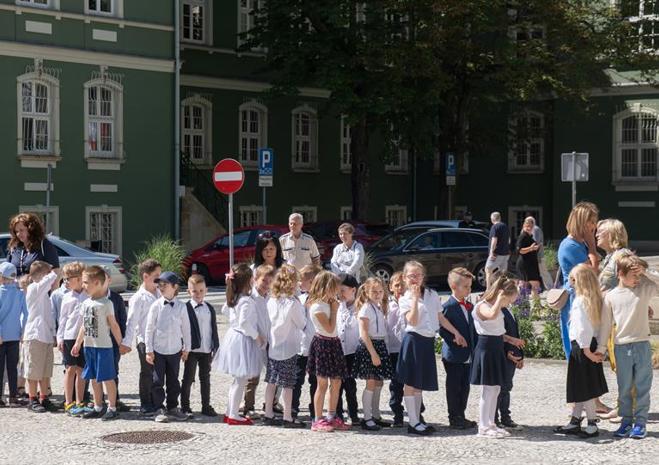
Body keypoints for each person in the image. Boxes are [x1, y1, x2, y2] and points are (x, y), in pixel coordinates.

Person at [396, 260, 468, 436]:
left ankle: (417, 420)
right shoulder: (405, 298)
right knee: (410, 383)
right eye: (411, 275)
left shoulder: (432, 294)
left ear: (423, 277)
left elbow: (440, 317)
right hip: (413, 340)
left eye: (418, 275)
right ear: (405, 278)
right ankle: (413, 422)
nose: (415, 278)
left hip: (427, 341)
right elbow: (412, 321)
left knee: (419, 383)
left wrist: (456, 332)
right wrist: (414, 299)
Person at [598, 254, 659, 440]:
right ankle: (626, 422)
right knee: (624, 387)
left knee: (642, 386)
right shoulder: (611, 296)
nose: (637, 279)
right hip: (621, 347)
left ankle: (640, 423)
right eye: (634, 275)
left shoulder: (644, 289)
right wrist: (601, 348)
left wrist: (646, 272)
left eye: (639, 275)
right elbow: (606, 324)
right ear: (620, 273)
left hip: (642, 346)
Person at [553, 264, 608, 439]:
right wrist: (598, 349)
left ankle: (592, 423)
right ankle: (575, 421)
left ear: (579, 281)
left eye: (572, 279)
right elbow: (600, 328)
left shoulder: (580, 301)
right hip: (591, 345)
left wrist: (586, 351)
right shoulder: (595, 300)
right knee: (581, 386)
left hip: (582, 347)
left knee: (585, 388)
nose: (570, 282)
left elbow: (583, 328)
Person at [470, 275, 523, 439]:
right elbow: (491, 316)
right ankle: (483, 426)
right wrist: (499, 299)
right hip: (486, 349)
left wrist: (511, 340)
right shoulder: (482, 306)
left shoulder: (496, 308)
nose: (508, 304)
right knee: (488, 389)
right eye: (509, 300)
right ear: (502, 294)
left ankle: (491, 423)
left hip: (496, 347)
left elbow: (497, 331)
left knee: (496, 389)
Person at [212, 263, 264, 425]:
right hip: (243, 340)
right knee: (240, 380)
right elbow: (244, 323)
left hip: (233, 337)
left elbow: (224, 310)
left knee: (237, 380)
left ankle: (230, 411)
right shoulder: (246, 301)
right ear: (249, 281)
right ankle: (234, 414)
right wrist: (257, 336)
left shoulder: (234, 298)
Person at [71, 266, 122, 421]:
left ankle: (112, 407)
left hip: (103, 347)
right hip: (89, 346)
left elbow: (113, 324)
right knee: (93, 378)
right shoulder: (86, 303)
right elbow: (84, 325)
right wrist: (78, 343)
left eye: (86, 282)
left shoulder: (107, 303)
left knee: (107, 378)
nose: (83, 285)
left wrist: (121, 343)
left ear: (98, 283)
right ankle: (98, 406)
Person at [262, 265, 307, 428]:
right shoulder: (293, 303)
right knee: (288, 384)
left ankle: (268, 413)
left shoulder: (271, 300)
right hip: (289, 347)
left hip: (274, 346)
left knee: (272, 381)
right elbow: (302, 323)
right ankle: (288, 416)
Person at [145, 271, 191, 423]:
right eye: (159, 285)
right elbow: (149, 328)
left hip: (175, 350)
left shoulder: (181, 306)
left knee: (173, 381)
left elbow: (186, 328)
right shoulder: (156, 306)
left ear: (175, 287)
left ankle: (173, 407)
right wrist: (149, 350)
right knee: (157, 380)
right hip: (158, 350)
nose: (161, 287)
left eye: (165, 284)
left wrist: (187, 348)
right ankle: (158, 408)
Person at [306, 271, 349, 432]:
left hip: (334, 342)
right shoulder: (317, 306)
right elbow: (329, 327)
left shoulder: (330, 303)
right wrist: (334, 309)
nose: (337, 291)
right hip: (323, 344)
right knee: (322, 383)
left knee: (337, 381)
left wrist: (334, 306)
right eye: (334, 287)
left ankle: (331, 416)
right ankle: (317, 419)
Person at [557, 202, 599, 359]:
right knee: (578, 350)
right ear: (581, 221)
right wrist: (592, 245)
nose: (594, 226)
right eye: (591, 222)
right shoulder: (570, 246)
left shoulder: (580, 243)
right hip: (575, 300)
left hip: (583, 297)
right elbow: (592, 272)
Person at [120, 258, 161, 415]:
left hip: (160, 340)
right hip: (144, 340)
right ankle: (145, 403)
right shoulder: (138, 298)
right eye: (156, 276)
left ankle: (157, 401)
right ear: (145, 276)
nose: (159, 279)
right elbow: (132, 322)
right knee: (147, 372)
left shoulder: (160, 293)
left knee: (158, 372)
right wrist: (127, 342)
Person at [353, 277, 394, 431]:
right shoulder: (365, 308)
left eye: (380, 291)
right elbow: (364, 333)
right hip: (369, 346)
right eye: (374, 291)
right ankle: (367, 418)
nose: (378, 294)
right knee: (370, 382)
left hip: (379, 344)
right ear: (366, 292)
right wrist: (373, 354)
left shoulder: (378, 307)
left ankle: (376, 415)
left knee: (379, 382)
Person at [441, 267, 477, 430]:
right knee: (454, 386)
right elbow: (441, 328)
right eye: (466, 286)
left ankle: (461, 415)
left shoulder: (470, 306)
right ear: (454, 286)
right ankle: (454, 417)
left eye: (470, 286)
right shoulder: (448, 306)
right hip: (454, 354)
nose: (469, 289)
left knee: (465, 386)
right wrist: (454, 338)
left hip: (468, 353)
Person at [22, 261, 58, 413]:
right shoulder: (34, 288)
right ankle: (32, 399)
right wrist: (53, 269)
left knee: (45, 371)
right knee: (33, 371)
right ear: (42, 275)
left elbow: (49, 317)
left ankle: (44, 397)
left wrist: (53, 334)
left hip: (46, 336)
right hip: (35, 336)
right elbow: (50, 279)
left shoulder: (44, 295)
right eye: (46, 275)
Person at [181, 274, 219, 417]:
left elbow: (213, 328)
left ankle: (206, 406)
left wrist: (215, 346)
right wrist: (183, 347)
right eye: (194, 291)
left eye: (201, 291)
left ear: (206, 291)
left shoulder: (209, 308)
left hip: (206, 349)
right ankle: (185, 406)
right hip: (191, 349)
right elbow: (182, 329)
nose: (198, 294)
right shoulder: (185, 308)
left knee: (205, 378)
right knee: (188, 378)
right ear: (189, 292)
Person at [56, 262, 88, 415]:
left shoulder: (88, 295)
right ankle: (68, 402)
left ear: (80, 278)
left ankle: (80, 400)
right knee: (70, 369)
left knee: (82, 369)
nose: (66, 282)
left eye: (68, 278)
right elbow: (62, 319)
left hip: (85, 338)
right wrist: (60, 338)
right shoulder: (67, 297)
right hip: (69, 336)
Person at [244, 264, 276, 417]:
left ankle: (270, 404)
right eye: (264, 280)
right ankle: (248, 406)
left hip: (270, 340)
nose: (267, 284)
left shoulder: (272, 297)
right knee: (253, 376)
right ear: (255, 279)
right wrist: (255, 335)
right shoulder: (250, 297)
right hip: (254, 340)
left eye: (270, 281)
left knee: (274, 373)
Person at [291, 264, 322, 419]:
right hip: (300, 346)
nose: (299, 283)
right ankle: (293, 408)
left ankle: (315, 410)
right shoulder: (300, 299)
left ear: (312, 282)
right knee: (296, 379)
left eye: (301, 281)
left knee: (315, 380)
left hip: (316, 347)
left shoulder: (321, 301)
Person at [496, 287, 524, 431]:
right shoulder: (499, 310)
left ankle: (505, 417)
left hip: (513, 355)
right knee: (500, 388)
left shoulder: (509, 309)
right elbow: (499, 335)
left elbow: (515, 334)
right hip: (504, 355)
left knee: (506, 387)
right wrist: (507, 352)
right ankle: (495, 419)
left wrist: (520, 355)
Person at [0, 262, 27, 407]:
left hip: (1, 336)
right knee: (12, 367)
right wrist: (23, 332)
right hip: (15, 335)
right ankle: (13, 396)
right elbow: (25, 315)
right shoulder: (20, 293)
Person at [335, 273, 360, 425]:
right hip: (337, 351)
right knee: (336, 384)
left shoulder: (359, 307)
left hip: (351, 351)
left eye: (343, 290)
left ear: (353, 290)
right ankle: (337, 413)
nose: (340, 294)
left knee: (350, 385)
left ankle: (353, 413)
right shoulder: (336, 306)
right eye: (338, 291)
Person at [7, 213, 60, 278]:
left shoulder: (44, 246)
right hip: (16, 284)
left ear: (31, 229)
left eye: (21, 230)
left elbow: (55, 273)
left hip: (40, 284)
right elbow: (6, 272)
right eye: (16, 231)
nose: (18, 234)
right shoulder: (14, 248)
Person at [386, 271, 407, 427]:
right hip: (393, 349)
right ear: (391, 287)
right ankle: (397, 414)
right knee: (396, 384)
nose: (400, 288)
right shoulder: (387, 305)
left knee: (413, 383)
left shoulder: (411, 302)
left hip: (408, 349)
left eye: (403, 285)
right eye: (397, 285)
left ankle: (417, 413)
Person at [516, 217, 541, 298]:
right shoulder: (523, 236)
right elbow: (520, 250)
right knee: (535, 284)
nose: (529, 228)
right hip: (525, 264)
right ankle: (535, 304)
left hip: (530, 263)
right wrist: (531, 248)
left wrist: (536, 248)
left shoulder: (530, 236)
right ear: (524, 226)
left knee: (524, 285)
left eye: (530, 226)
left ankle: (520, 302)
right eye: (527, 226)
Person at [485, 212, 510, 288]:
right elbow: (509, 240)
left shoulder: (495, 227)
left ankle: (488, 289)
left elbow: (494, 240)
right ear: (500, 218)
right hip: (505, 253)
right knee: (503, 273)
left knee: (488, 269)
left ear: (492, 219)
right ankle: (502, 289)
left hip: (496, 253)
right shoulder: (505, 226)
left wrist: (491, 252)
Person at [530, 217, 553, 290]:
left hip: (538, 255)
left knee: (543, 272)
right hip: (534, 255)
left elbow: (536, 242)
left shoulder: (536, 229)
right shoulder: (532, 229)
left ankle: (550, 288)